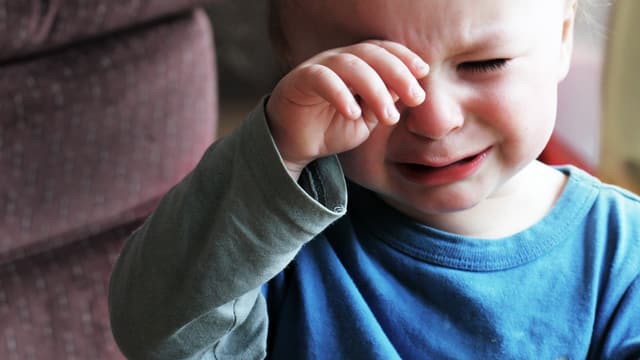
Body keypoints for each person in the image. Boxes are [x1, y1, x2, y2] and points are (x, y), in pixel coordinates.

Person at [108, 0, 640, 358]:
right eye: (371, 75)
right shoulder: (264, 231)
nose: (434, 120)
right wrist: (273, 152)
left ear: (563, 40)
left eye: (486, 64)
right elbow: (158, 335)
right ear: (293, 62)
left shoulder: (623, 253)